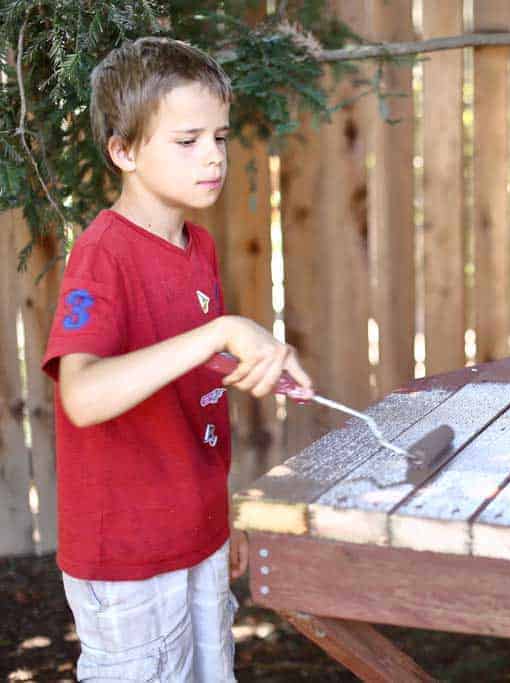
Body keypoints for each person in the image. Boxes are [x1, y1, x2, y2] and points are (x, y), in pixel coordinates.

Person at [40, 36, 313, 681]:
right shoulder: (102, 255)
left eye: (219, 137)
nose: (213, 157)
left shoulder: (199, 247)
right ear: (124, 150)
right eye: (187, 141)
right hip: (129, 556)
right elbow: (83, 395)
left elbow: (184, 375)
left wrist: (256, 359)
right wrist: (221, 331)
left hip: (198, 535)